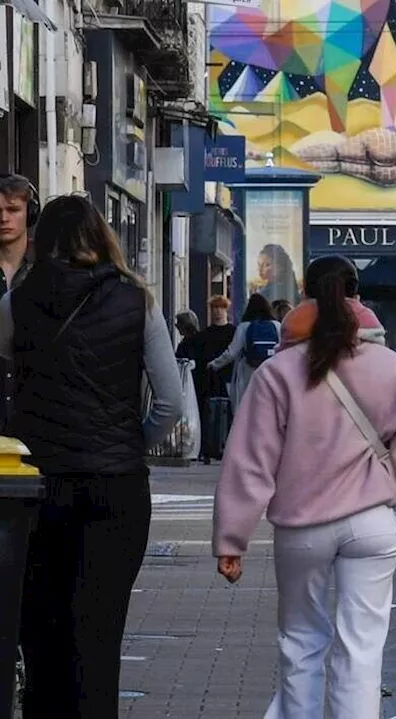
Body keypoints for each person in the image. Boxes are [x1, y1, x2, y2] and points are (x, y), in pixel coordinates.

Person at [212, 255, 396, 718]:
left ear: (306, 298)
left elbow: (250, 462)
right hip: (372, 527)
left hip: (302, 530)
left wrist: (231, 539)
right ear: (358, 297)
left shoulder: (277, 373)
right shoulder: (390, 367)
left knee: (300, 645)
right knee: (361, 653)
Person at [0, 193, 183, 717]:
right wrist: (128, 443)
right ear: (102, 236)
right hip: (116, 488)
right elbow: (169, 402)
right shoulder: (136, 299)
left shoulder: (17, 301)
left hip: (38, 488)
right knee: (98, 635)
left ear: (42, 239)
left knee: (41, 633)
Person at [0, 174, 38, 430]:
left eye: (13, 209)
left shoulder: (48, 268)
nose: (3, 218)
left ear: (30, 213)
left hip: (36, 412)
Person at [181, 296, 236, 462]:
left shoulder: (233, 333)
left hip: (225, 380)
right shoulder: (205, 335)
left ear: (226, 310)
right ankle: (210, 447)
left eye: (220, 308)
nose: (217, 312)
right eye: (214, 308)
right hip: (210, 381)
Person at [209, 292, 280, 411]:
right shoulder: (277, 326)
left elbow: (231, 353)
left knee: (247, 408)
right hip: (272, 371)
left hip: (248, 372)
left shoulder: (244, 327)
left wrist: (214, 364)